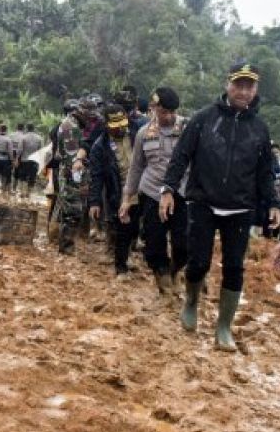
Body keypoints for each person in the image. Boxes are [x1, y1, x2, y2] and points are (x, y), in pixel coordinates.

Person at [161, 62, 280, 350]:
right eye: (238, 84)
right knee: (199, 260)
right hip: (203, 201)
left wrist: (274, 204)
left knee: (234, 267)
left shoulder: (259, 130)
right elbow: (181, 155)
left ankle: (224, 328)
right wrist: (168, 189)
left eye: (249, 86)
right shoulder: (204, 119)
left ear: (255, 89)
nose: (243, 91)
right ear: (228, 84)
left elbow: (265, 172)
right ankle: (191, 302)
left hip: (240, 208)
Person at [121, 87, 188, 294]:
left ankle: (177, 270)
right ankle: (163, 278)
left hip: (182, 193)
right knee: (154, 242)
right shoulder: (144, 133)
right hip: (152, 193)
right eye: (163, 111)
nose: (167, 116)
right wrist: (126, 199)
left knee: (183, 242)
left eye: (171, 112)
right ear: (153, 108)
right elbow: (136, 167)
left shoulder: (187, 128)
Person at [89, 105, 138, 275]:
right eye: (116, 126)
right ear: (107, 124)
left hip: (142, 190)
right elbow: (96, 177)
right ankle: (121, 268)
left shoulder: (135, 133)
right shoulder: (100, 147)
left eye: (123, 124)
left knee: (136, 229)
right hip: (119, 192)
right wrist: (95, 202)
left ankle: (128, 255)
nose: (121, 129)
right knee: (123, 230)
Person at [54, 109, 90, 254]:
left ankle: (65, 245)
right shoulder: (71, 128)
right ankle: (66, 247)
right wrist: (80, 180)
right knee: (72, 209)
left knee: (68, 209)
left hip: (66, 172)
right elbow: (72, 159)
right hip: (71, 174)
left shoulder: (66, 124)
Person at [17, 124, 43, 196]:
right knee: (32, 176)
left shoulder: (23, 138)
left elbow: (20, 150)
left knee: (23, 176)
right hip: (34, 161)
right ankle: (29, 193)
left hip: (24, 160)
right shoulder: (39, 138)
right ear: (33, 128)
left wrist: (17, 158)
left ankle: (22, 192)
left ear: (27, 128)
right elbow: (40, 150)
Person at [0, 123, 15, 193]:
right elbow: (10, 151)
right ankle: (3, 190)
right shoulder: (8, 139)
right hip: (5, 160)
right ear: (6, 130)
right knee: (4, 175)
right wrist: (12, 160)